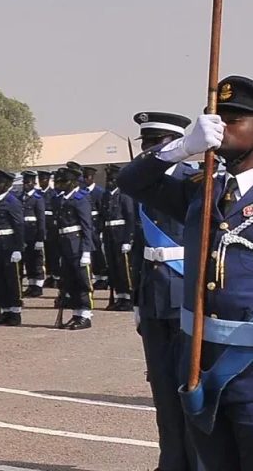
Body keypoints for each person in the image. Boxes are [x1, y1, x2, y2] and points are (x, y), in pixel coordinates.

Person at [118, 111, 201, 471]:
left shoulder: (196, 179)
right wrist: (138, 299)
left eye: (155, 144)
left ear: (174, 144)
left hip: (186, 293)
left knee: (191, 388)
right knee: (163, 392)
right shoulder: (140, 187)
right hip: (154, 297)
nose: (148, 151)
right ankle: (171, 461)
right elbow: (140, 247)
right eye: (145, 145)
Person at [54, 165, 95, 330]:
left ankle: (85, 315)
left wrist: (86, 250)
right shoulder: (63, 199)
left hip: (77, 244)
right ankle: (77, 313)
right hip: (66, 244)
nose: (60, 184)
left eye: (63, 181)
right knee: (70, 281)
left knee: (83, 281)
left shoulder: (80, 199)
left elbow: (87, 226)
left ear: (72, 182)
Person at [0, 169, 24, 326]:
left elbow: (19, 225)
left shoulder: (12, 202)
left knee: (12, 279)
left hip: (8, 243)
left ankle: (15, 312)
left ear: (8, 185)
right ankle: (5, 310)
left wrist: (18, 248)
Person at [101, 164, 135, 312]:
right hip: (109, 234)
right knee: (113, 268)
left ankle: (128, 297)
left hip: (121, 235)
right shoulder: (106, 196)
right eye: (108, 179)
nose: (109, 182)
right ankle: (119, 296)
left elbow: (130, 218)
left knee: (123, 269)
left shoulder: (124, 195)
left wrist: (127, 239)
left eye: (112, 179)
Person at [20, 170, 47, 298]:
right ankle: (31, 284)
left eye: (28, 182)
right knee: (28, 261)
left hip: (34, 233)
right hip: (24, 234)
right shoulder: (20, 197)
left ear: (34, 183)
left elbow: (41, 220)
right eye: (24, 182)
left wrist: (40, 238)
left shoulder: (38, 198)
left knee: (36, 261)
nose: (26, 185)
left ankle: (38, 285)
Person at [38, 170, 61, 287]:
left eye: (44, 179)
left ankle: (56, 276)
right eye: (40, 180)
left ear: (48, 180)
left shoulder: (53, 194)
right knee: (45, 253)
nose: (41, 182)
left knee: (54, 253)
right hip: (42, 228)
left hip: (52, 228)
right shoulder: (38, 194)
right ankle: (49, 275)